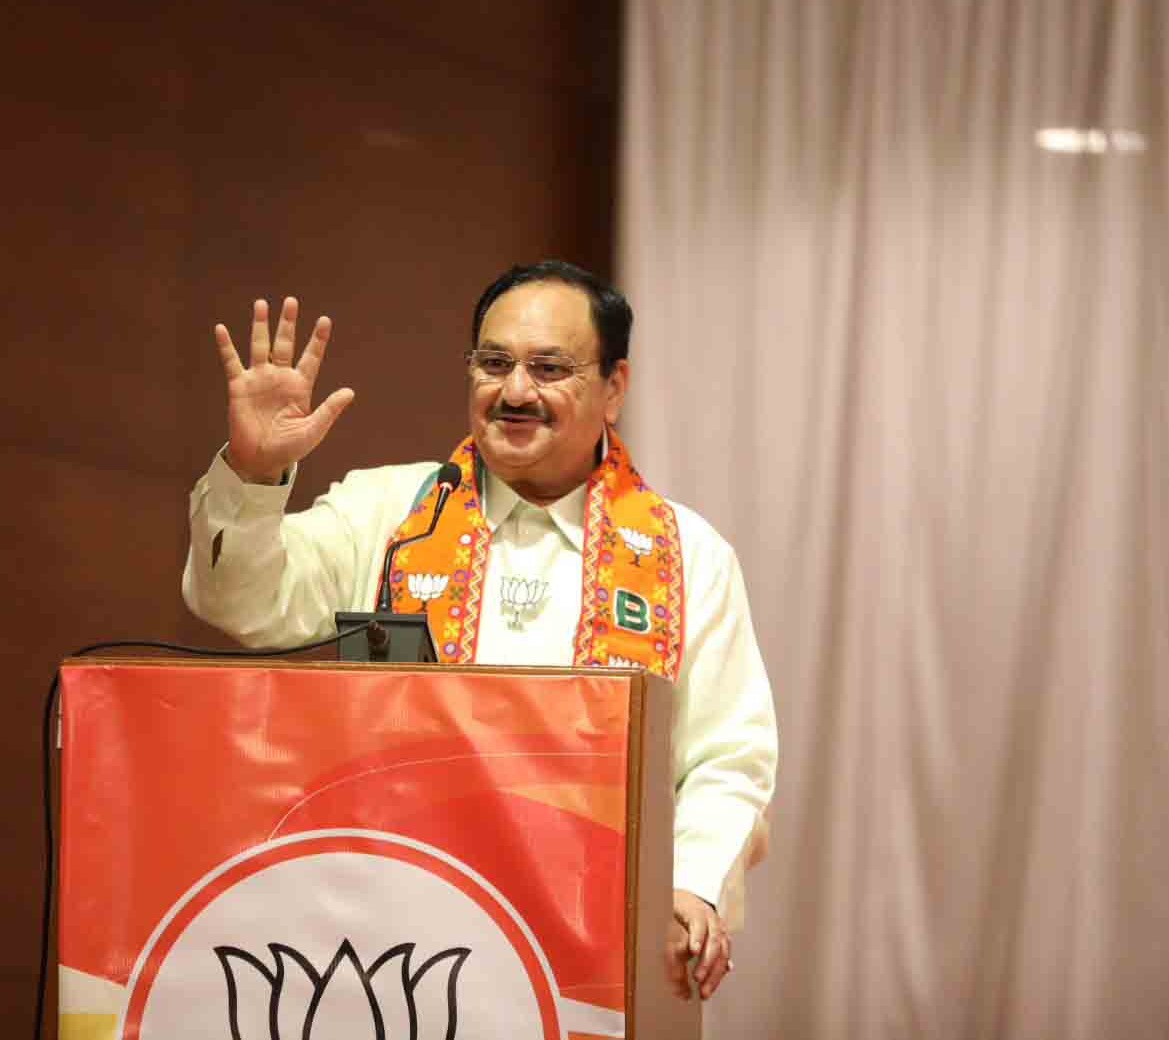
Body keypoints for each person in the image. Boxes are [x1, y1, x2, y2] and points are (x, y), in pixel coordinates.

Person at [182, 260, 777, 1002]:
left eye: (549, 367)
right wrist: (252, 473)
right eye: (494, 363)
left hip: (596, 958)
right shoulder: (388, 512)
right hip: (388, 950)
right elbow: (241, 602)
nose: (516, 391)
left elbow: (728, 760)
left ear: (615, 387)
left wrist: (689, 891)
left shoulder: (688, 555)